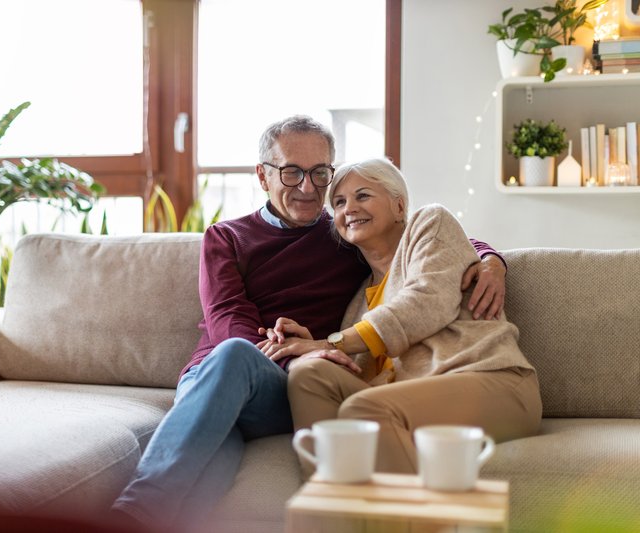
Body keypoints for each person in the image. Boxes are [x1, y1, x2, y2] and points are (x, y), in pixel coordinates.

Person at [109, 117, 507, 532]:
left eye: (320, 173)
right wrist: (299, 354)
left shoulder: (343, 231)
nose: (307, 187)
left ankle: (126, 518)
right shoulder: (226, 237)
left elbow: (422, 239)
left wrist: (491, 260)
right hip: (219, 375)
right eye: (291, 171)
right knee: (216, 438)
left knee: (240, 377)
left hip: (293, 388)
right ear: (262, 176)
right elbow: (227, 319)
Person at [262, 157, 542, 475]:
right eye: (339, 202)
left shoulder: (430, 225)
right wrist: (315, 350)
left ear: (399, 206)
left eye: (363, 195)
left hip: (493, 382)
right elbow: (367, 373)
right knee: (307, 375)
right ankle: (334, 505)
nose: (348, 208)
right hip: (412, 400)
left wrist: (332, 343)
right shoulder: (357, 304)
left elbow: (424, 303)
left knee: (366, 409)